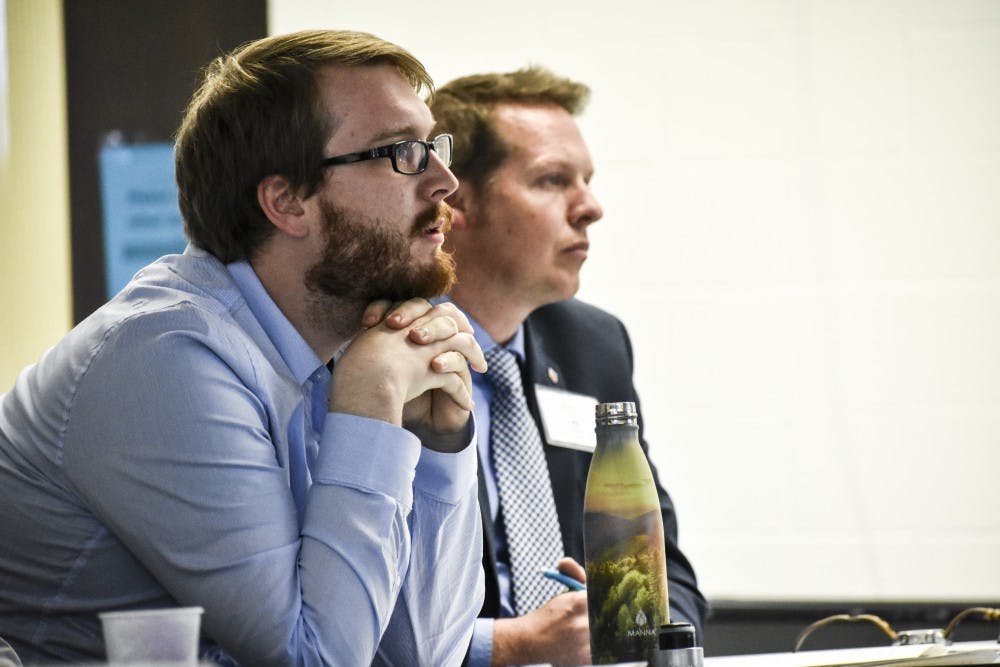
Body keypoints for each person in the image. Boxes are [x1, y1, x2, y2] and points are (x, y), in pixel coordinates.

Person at [0, 30, 487, 666]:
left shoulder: (341, 342)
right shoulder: (162, 356)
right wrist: (370, 407)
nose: (445, 182)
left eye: (434, 147)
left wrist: (437, 443)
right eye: (402, 152)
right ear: (287, 202)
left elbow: (421, 655)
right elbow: (315, 660)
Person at [427, 67, 708, 666]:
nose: (590, 208)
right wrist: (512, 645)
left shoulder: (592, 343)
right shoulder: (385, 347)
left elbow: (665, 565)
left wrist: (643, 633)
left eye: (587, 180)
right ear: (454, 202)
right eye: (553, 181)